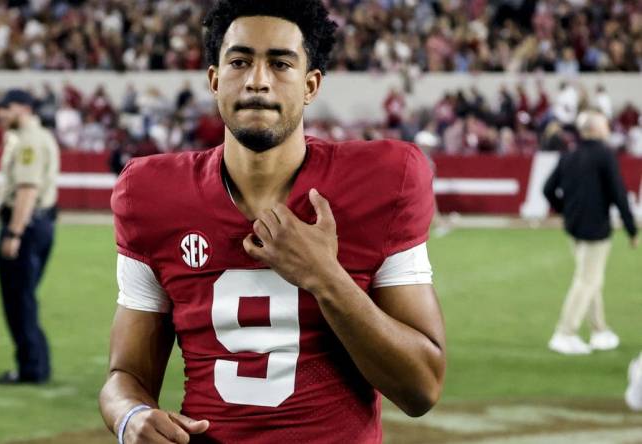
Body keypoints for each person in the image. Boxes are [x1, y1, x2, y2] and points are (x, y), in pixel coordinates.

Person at [99, 1, 446, 443]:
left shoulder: (381, 182)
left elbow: (421, 388)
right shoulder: (151, 195)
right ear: (214, 79)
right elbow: (124, 375)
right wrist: (131, 415)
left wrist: (325, 277)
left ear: (310, 85)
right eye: (240, 61)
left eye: (280, 63)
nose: (258, 80)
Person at [544, 110, 638, 355]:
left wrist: (565, 210)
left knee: (591, 279)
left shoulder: (570, 155)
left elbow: (548, 189)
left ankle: (599, 330)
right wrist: (631, 229)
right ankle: (564, 332)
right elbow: (618, 193)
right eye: (605, 125)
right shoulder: (604, 155)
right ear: (595, 129)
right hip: (595, 229)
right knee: (587, 281)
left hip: (575, 228)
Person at [0, 90, 59, 384]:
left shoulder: (28, 141)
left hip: (26, 226)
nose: (0, 114)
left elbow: (27, 189)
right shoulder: (37, 136)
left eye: (5, 108)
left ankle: (32, 366)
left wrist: (14, 232)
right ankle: (35, 363)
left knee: (18, 299)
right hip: (40, 224)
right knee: (24, 297)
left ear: (23, 108)